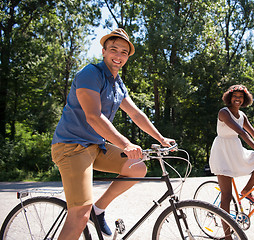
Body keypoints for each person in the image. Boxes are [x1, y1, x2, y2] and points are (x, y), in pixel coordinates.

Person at [51, 28, 175, 240]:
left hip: (94, 146)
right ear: (103, 51)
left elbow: (136, 114)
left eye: (124, 52)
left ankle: (97, 211)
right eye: (113, 50)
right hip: (72, 146)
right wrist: (126, 144)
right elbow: (93, 116)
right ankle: (87, 213)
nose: (118, 56)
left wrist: (161, 139)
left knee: (137, 168)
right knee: (79, 215)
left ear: (128, 57)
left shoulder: (117, 84)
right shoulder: (90, 74)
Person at [209, 84, 254, 217]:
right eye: (235, 96)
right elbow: (241, 132)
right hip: (222, 153)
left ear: (245, 99)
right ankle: (227, 236)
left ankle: (247, 190)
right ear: (229, 98)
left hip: (236, 151)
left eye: (241, 97)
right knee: (227, 196)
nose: (238, 99)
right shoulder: (224, 112)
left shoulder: (242, 115)